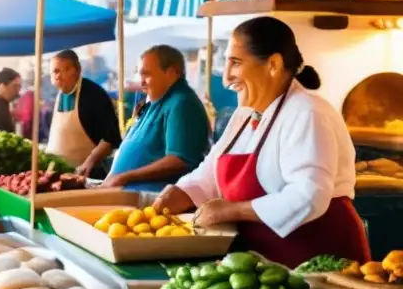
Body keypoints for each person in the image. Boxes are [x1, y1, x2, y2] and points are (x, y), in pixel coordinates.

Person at [154, 16, 369, 268]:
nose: (225, 78)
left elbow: (308, 196)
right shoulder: (245, 116)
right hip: (265, 263)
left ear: (273, 64)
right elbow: (209, 174)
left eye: (235, 63)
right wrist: (177, 193)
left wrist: (230, 210)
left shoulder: (308, 113)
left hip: (317, 260)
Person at [103, 45, 211, 191]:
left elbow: (179, 160)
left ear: (172, 72)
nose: (141, 82)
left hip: (152, 200)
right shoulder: (156, 100)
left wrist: (124, 177)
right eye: (140, 75)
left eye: (146, 75)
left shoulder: (182, 103)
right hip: (123, 193)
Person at [47, 51, 122, 178]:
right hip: (58, 173)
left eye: (64, 70)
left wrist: (90, 161)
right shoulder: (59, 96)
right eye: (55, 71)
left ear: (77, 70)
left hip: (88, 174)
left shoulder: (95, 95)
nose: (58, 76)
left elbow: (111, 138)